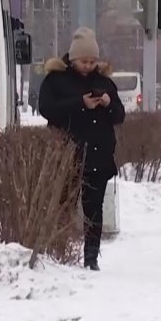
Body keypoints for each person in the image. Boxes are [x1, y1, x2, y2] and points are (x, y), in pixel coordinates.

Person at [37, 27, 125, 271]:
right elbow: (47, 108)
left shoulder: (104, 82)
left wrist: (107, 103)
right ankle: (60, 252)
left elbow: (119, 116)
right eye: (84, 61)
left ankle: (91, 257)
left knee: (93, 211)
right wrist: (81, 104)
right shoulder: (56, 80)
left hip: (99, 156)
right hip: (68, 156)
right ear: (73, 59)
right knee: (63, 206)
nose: (89, 65)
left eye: (92, 61)